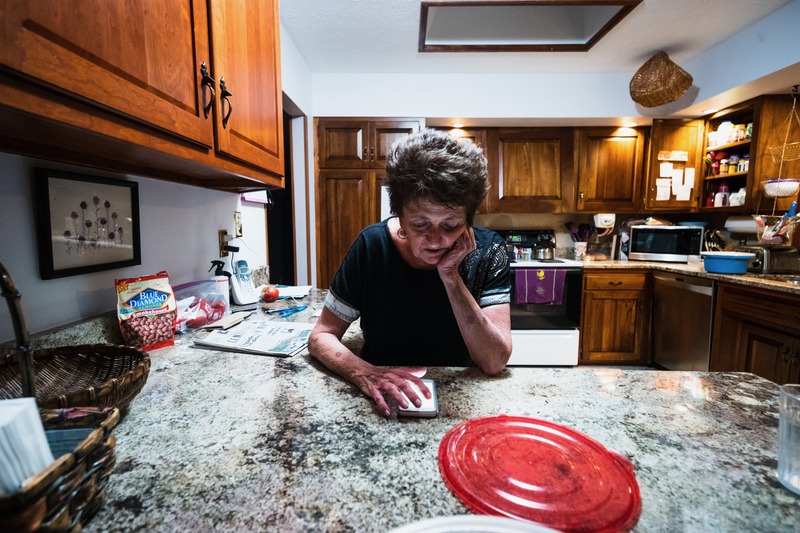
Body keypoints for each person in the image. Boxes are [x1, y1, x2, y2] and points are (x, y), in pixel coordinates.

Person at [308, 128, 512, 417]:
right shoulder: (372, 245)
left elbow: (494, 361)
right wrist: (364, 372)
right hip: (382, 397)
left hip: (462, 396)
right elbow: (321, 336)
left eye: (450, 225)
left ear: (468, 220)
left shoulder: (490, 251)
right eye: (420, 224)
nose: (435, 240)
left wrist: (450, 275)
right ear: (400, 217)